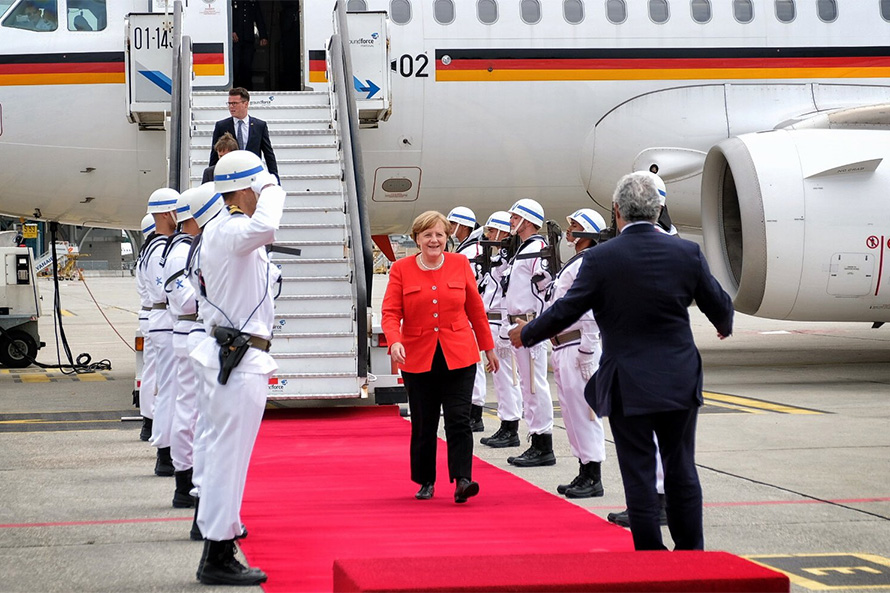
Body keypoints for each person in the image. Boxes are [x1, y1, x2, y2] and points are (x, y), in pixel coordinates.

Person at [509, 172, 733, 551]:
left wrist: (527, 333)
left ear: (616, 211)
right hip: (678, 377)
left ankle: (650, 552)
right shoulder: (686, 253)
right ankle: (691, 552)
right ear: (658, 209)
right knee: (681, 466)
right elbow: (720, 309)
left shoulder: (601, 258)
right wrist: (723, 326)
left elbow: (567, 310)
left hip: (627, 380)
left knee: (638, 470)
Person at [189, 150, 281, 585]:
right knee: (229, 458)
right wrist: (272, 185)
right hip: (238, 360)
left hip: (231, 355)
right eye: (256, 186)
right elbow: (267, 225)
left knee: (222, 454)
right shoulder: (231, 230)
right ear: (246, 187)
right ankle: (218, 554)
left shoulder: (222, 230)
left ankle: (216, 539)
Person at [381, 211, 499, 504]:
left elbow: (475, 309)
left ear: (447, 238)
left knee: (459, 419)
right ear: (417, 239)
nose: (434, 240)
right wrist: (394, 341)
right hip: (418, 356)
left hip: (458, 354)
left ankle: (463, 480)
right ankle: (426, 480)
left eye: (439, 235)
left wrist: (488, 347)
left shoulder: (460, 264)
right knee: (424, 422)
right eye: (427, 235)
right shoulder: (401, 269)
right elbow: (391, 312)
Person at [546, 208, 608, 499]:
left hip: (578, 345)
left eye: (575, 225)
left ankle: (593, 475)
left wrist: (587, 350)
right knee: (571, 414)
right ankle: (584, 469)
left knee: (585, 413)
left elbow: (592, 311)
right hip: (564, 345)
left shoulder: (587, 263)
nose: (569, 230)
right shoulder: (575, 262)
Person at [501, 198, 555, 467]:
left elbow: (546, 290)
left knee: (534, 385)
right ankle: (536, 440)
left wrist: (538, 325)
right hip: (518, 324)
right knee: (527, 385)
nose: (511, 221)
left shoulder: (537, 249)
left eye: (515, 217)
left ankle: (543, 444)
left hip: (529, 324)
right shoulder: (524, 249)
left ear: (528, 220)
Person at [477, 212, 523, 449]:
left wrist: (505, 331)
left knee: (507, 378)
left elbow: (507, 298)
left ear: (505, 233)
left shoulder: (510, 261)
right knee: (501, 379)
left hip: (501, 323)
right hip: (492, 323)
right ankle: (506, 424)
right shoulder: (499, 259)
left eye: (493, 231)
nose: (489, 236)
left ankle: (510, 427)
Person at [144, 187, 181, 476]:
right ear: (168, 213)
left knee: (172, 387)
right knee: (170, 389)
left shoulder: (159, 245)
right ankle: (165, 452)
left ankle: (169, 450)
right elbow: (165, 290)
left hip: (165, 321)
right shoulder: (159, 249)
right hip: (166, 320)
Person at [446, 206, 487, 432]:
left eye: (453, 224)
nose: (450, 228)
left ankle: (475, 413)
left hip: (468, 314)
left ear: (463, 226)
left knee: (474, 364)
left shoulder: (470, 252)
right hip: (466, 314)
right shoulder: (467, 249)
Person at [208, 88, 278, 180]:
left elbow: (269, 155)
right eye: (229, 103)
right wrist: (211, 179)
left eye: (234, 103)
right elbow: (214, 155)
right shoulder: (221, 126)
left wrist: (275, 179)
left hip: (253, 175)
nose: (231, 107)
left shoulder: (259, 126)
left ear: (246, 104)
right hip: (231, 176)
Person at [135, 214, 158, 442]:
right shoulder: (156, 252)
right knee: (156, 371)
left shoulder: (146, 252)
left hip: (149, 313)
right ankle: (150, 421)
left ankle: (148, 421)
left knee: (151, 370)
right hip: (156, 313)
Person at [231, 0, 268, 89]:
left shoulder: (252, 1)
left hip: (248, 38)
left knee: (247, 67)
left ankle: (247, 90)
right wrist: (231, 31)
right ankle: (235, 90)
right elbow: (227, 16)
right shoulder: (232, 2)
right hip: (235, 40)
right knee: (236, 66)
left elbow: (259, 17)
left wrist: (263, 36)